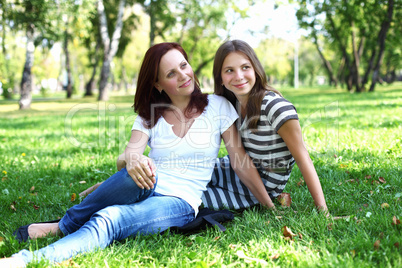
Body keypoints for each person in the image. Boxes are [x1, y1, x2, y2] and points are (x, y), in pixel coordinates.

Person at [0, 42, 273, 267]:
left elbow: (242, 163)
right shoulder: (149, 116)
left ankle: (28, 258)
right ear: (157, 84)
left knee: (108, 220)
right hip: (145, 181)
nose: (183, 75)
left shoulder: (218, 106)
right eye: (171, 74)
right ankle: (66, 224)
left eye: (183, 65)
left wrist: (269, 205)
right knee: (137, 173)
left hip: (178, 201)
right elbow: (128, 155)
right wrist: (132, 158)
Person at [201, 39, 328, 212]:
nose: (238, 76)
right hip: (231, 170)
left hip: (257, 188)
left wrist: (323, 211)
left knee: (191, 198)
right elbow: (239, 161)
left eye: (245, 67)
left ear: (255, 69)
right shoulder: (230, 106)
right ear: (220, 79)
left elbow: (303, 158)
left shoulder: (275, 107)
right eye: (229, 70)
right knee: (178, 176)